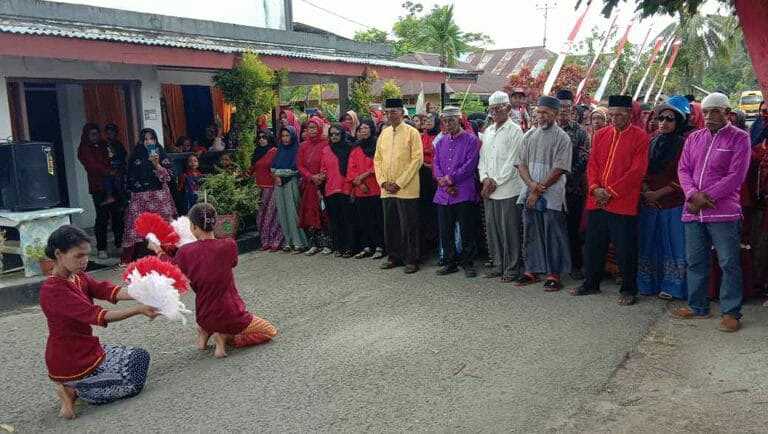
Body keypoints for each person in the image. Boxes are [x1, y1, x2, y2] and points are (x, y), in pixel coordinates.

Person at [40, 225, 158, 419]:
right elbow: (98, 315)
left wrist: (142, 292)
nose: (84, 261)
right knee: (133, 383)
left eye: (86, 255)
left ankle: (79, 386)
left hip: (88, 349)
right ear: (59, 254)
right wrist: (138, 309)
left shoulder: (77, 276)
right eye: (78, 256)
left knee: (140, 357)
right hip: (70, 360)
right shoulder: (53, 290)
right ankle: (72, 389)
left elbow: (106, 290)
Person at [150, 203, 278, 358]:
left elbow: (171, 267)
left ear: (194, 227)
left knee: (210, 317)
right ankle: (226, 336)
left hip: (204, 316)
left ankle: (205, 332)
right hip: (232, 315)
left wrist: (158, 250)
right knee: (269, 331)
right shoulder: (228, 244)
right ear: (214, 223)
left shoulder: (185, 252)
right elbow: (232, 262)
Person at [673, 92, 751, 332]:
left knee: (728, 262)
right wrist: (692, 195)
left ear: (728, 113)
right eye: (705, 112)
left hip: (723, 211)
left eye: (715, 111)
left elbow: (736, 176)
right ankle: (697, 306)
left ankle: (731, 312)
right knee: (695, 261)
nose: (709, 116)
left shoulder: (740, 138)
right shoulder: (694, 138)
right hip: (693, 210)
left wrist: (705, 198)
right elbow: (683, 169)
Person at [571, 95, 650, 306]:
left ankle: (629, 289)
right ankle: (591, 283)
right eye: (612, 114)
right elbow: (593, 164)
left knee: (625, 248)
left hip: (622, 202)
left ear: (630, 114)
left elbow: (637, 171)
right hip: (597, 199)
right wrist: (596, 188)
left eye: (620, 114)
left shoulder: (640, 136)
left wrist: (611, 192)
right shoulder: (601, 134)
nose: (615, 118)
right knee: (593, 245)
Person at [515, 96, 573, 290]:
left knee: (552, 233)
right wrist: (532, 186)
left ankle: (553, 274)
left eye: (546, 112)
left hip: (552, 195)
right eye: (539, 112)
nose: (541, 116)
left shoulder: (562, 137)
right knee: (531, 231)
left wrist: (538, 190)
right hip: (530, 192)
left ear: (555, 114)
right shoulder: (529, 135)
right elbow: (521, 164)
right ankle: (532, 270)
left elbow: (559, 169)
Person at [637, 96, 691, 300]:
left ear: (679, 122)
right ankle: (648, 283)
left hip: (672, 202)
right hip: (648, 202)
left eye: (670, 119)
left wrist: (658, 193)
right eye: (661, 118)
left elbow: (684, 174)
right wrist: (645, 190)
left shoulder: (684, 144)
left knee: (672, 243)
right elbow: (641, 169)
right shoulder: (652, 141)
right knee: (649, 242)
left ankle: (672, 286)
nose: (664, 123)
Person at [479, 91, 527, 282]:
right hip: (489, 188)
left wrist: (495, 181)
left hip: (508, 189)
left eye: (498, 108)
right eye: (491, 109)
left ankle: (512, 268)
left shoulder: (515, 131)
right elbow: (482, 159)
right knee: (493, 229)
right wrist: (484, 178)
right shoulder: (488, 131)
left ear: (508, 108)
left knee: (510, 230)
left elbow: (514, 161)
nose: (494, 112)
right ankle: (498, 264)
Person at [374, 98, 424, 274]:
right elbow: (377, 160)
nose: (390, 115)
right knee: (391, 225)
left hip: (406, 189)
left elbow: (417, 159)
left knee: (409, 226)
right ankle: (394, 257)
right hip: (387, 189)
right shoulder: (384, 133)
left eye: (394, 111)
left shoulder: (412, 132)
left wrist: (399, 183)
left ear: (402, 112)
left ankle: (412, 259)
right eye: (387, 112)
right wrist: (383, 182)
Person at [432, 106, 480, 278]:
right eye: (445, 121)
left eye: (451, 120)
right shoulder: (440, 141)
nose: (448, 124)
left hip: (464, 190)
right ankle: (450, 262)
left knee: (466, 229)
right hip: (444, 193)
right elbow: (436, 165)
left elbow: (470, 165)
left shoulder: (471, 140)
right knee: (445, 230)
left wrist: (451, 179)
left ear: (459, 119)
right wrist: (443, 182)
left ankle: (468, 263)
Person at [122, 128, 178, 263]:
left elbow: (169, 177)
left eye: (151, 138)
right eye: (145, 139)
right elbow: (129, 177)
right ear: (141, 141)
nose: (148, 142)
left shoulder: (161, 155)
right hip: (140, 198)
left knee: (163, 225)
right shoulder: (135, 156)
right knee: (137, 227)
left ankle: (166, 255)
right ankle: (137, 258)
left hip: (159, 197)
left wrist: (157, 164)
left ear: (155, 140)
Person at [556, 89, 590, 280]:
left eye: (567, 108)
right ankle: (556, 264)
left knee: (572, 228)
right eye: (560, 107)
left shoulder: (580, 132)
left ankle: (576, 265)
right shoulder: (547, 130)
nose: (563, 111)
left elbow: (584, 158)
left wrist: (565, 177)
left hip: (572, 188)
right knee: (554, 227)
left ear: (572, 109)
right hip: (550, 187)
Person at [77, 123, 124, 259]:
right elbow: (91, 166)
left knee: (117, 216)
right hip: (98, 187)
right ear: (87, 135)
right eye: (92, 134)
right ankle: (101, 248)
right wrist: (108, 171)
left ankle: (119, 244)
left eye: (97, 134)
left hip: (114, 185)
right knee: (102, 218)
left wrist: (114, 169)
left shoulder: (105, 145)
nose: (95, 137)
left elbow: (114, 157)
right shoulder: (84, 148)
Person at [348, 119, 385, 259]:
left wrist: (364, 175)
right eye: (361, 128)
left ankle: (380, 246)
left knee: (377, 219)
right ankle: (367, 246)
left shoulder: (377, 145)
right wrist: (358, 182)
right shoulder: (355, 147)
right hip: (359, 189)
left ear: (371, 129)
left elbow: (379, 164)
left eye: (366, 128)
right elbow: (350, 168)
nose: (363, 131)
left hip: (374, 187)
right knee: (363, 219)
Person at [298, 117, 332, 256]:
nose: (311, 130)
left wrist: (321, 176)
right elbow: (300, 165)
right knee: (310, 213)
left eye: (313, 128)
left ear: (319, 128)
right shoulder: (303, 146)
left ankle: (328, 244)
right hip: (309, 184)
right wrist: (311, 177)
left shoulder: (326, 143)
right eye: (308, 128)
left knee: (324, 213)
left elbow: (328, 161)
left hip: (323, 184)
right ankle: (314, 244)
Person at [321, 124, 356, 258]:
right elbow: (323, 168)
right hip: (330, 189)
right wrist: (321, 176)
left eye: (337, 134)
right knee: (335, 220)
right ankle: (339, 246)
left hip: (345, 188)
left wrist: (352, 187)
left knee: (348, 219)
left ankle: (350, 247)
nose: (334, 136)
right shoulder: (326, 150)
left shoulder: (349, 148)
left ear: (342, 134)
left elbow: (352, 168)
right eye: (332, 134)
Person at [272, 126, 308, 253]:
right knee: (282, 213)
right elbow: (273, 166)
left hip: (291, 183)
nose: (285, 139)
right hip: (278, 184)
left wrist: (280, 174)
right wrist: (276, 176)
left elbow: (296, 168)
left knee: (293, 213)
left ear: (292, 136)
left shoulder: (297, 150)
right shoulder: (280, 150)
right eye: (283, 136)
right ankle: (288, 241)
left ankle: (300, 242)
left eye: (287, 136)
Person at [249, 130, 283, 251]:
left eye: (264, 137)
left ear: (269, 139)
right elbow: (251, 169)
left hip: (272, 187)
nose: (261, 140)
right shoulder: (257, 152)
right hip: (259, 188)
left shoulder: (274, 151)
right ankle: (265, 240)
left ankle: (276, 240)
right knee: (260, 216)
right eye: (259, 138)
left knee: (272, 215)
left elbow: (278, 168)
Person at [419, 112, 440, 259]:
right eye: (425, 119)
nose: (426, 121)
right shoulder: (420, 137)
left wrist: (428, 165)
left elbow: (441, 157)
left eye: (430, 119)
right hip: (422, 178)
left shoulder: (440, 137)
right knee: (425, 210)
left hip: (435, 177)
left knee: (436, 211)